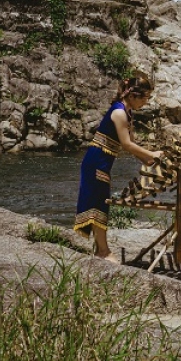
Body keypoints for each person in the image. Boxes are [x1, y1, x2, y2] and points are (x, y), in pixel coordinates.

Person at [74, 71, 163, 262]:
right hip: (97, 161)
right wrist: (152, 155)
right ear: (133, 95)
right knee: (98, 203)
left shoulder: (127, 112)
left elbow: (132, 145)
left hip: (103, 161)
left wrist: (147, 160)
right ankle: (103, 251)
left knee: (100, 202)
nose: (146, 102)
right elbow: (127, 144)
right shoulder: (119, 113)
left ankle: (101, 249)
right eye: (145, 97)